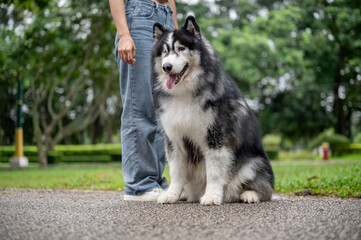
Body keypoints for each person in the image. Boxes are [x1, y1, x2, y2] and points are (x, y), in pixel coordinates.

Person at [109, 0, 178, 201]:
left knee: (161, 112)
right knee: (139, 106)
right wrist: (124, 34)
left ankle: (155, 181)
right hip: (140, 18)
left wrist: (175, 30)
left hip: (165, 18)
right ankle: (139, 185)